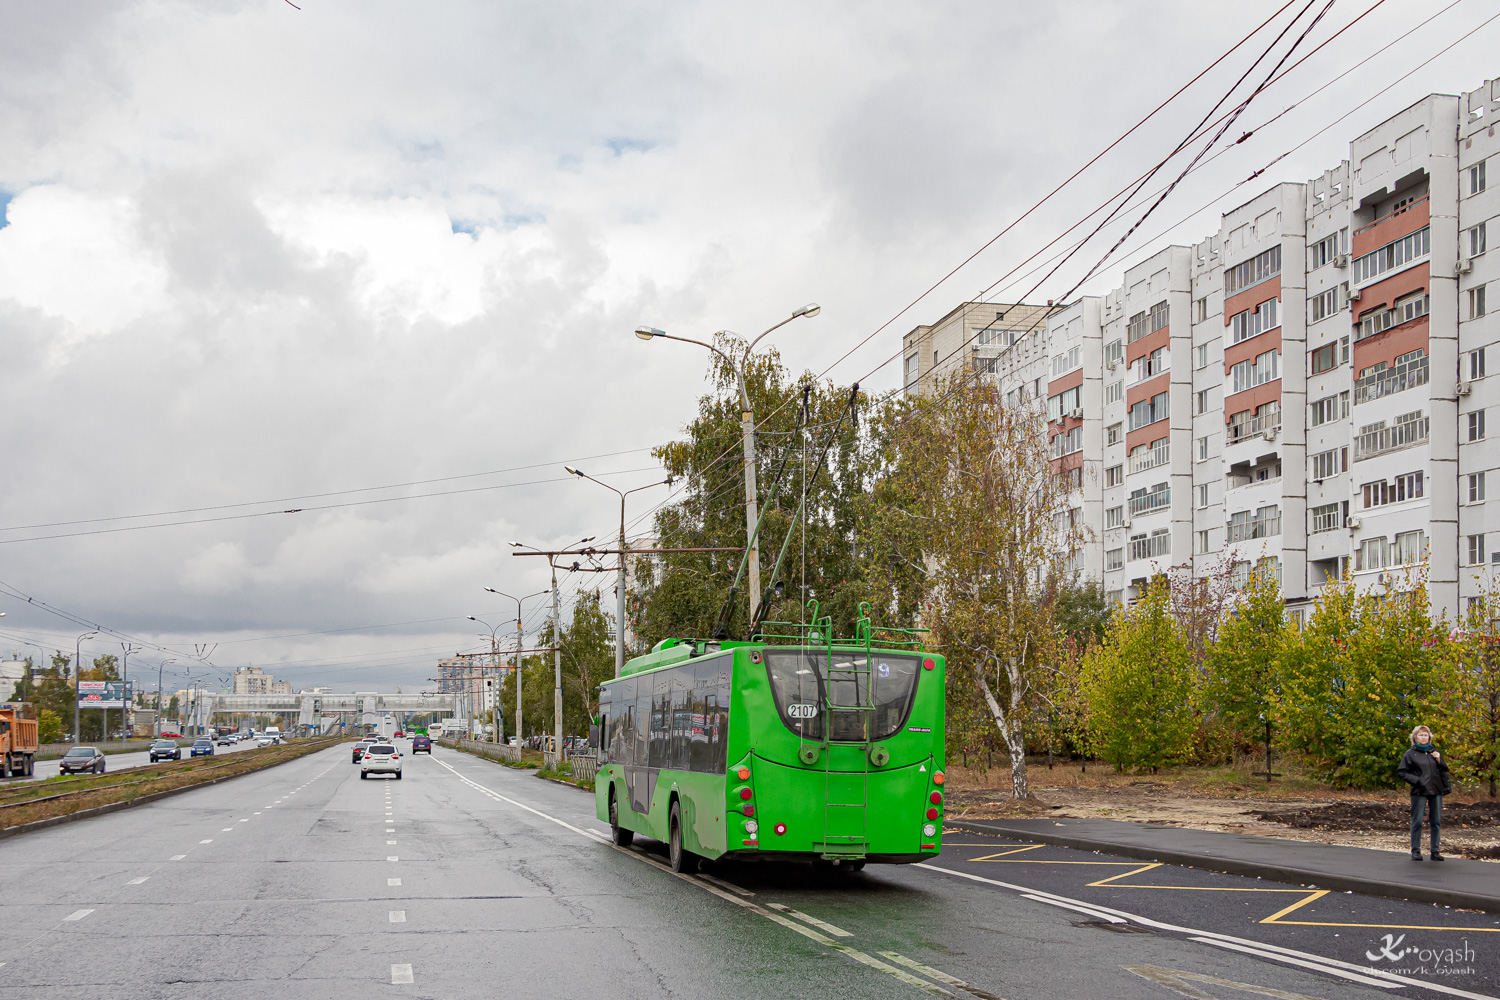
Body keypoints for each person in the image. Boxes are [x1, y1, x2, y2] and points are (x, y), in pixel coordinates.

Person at [1397, 724, 1451, 861]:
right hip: (1419, 791)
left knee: (1436, 821)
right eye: (1421, 735)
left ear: (1429, 737)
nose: (1424, 737)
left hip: (1436, 790)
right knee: (1418, 821)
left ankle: (1435, 851)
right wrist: (1418, 780)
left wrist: (1439, 759)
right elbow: (1402, 772)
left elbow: (1445, 769)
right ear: (1415, 737)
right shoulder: (1410, 754)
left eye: (1426, 735)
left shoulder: (1434, 752)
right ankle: (1416, 850)